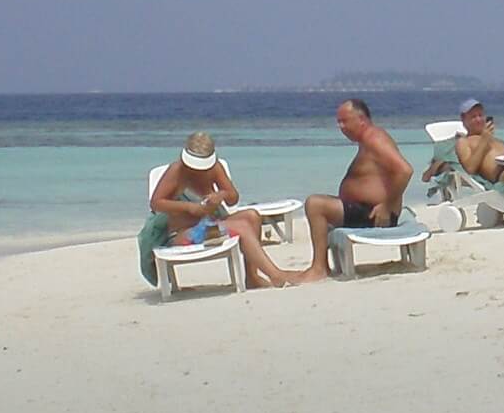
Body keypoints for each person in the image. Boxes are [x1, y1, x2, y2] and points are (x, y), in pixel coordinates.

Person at [152, 130, 306, 288]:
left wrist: (221, 195)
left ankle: (252, 277)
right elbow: (156, 203)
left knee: (252, 216)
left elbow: (233, 198)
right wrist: (190, 208)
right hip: (184, 234)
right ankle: (276, 275)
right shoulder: (177, 171)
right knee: (242, 226)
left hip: (212, 227)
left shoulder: (214, 168)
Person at [303, 97, 413, 277]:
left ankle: (319, 268)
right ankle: (322, 265)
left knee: (315, 204)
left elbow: (405, 170)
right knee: (323, 204)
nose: (341, 127)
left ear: (361, 119)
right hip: (366, 210)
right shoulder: (369, 140)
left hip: (375, 215)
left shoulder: (375, 139)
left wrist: (386, 206)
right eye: (338, 122)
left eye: (344, 121)